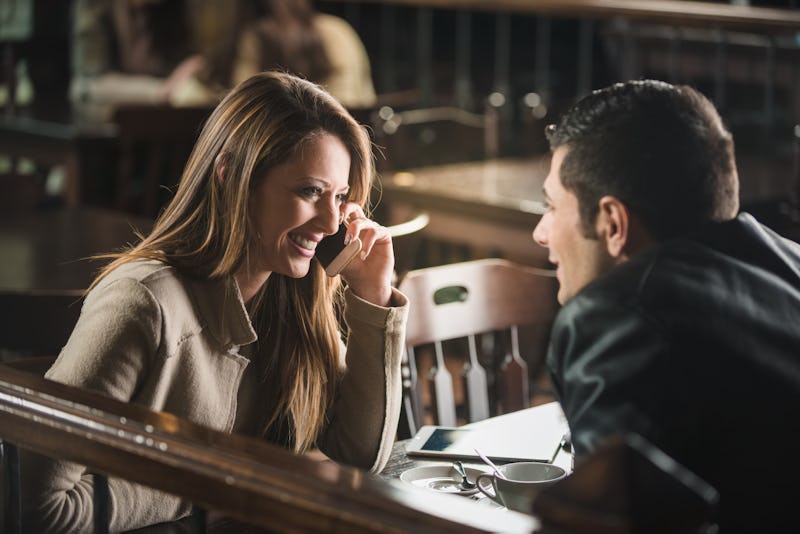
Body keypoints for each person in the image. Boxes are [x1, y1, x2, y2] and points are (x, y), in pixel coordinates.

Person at [21, 71, 408, 532]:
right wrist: (218, 481)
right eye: (309, 191)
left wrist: (373, 299)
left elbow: (362, 456)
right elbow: (38, 511)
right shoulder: (142, 302)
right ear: (231, 177)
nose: (329, 222)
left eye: (340, 197)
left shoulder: (292, 301)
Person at [532, 79, 800, 532]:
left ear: (613, 223)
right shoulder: (790, 266)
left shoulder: (617, 315)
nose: (541, 232)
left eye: (552, 207)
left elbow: (602, 522)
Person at [189, 0, 376, 110]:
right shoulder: (339, 31)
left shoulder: (252, 39)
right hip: (347, 154)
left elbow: (242, 108)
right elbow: (362, 104)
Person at [69, 0, 234, 121]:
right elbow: (87, 84)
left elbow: (181, 62)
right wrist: (160, 91)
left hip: (155, 123)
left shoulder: (168, 8)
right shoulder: (96, 6)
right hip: (99, 122)